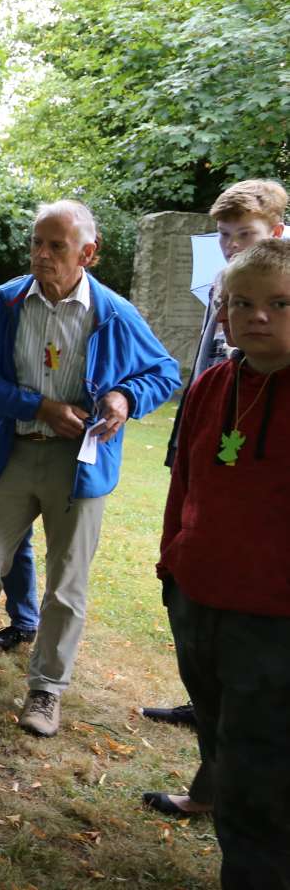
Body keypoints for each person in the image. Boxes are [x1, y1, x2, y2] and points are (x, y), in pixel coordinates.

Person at [0, 200, 179, 737]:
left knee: (66, 584)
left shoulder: (113, 313)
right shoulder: (5, 303)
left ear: (88, 253)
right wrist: (40, 408)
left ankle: (46, 691)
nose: (42, 254)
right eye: (37, 243)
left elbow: (164, 372)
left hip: (78, 468)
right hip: (11, 453)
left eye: (57, 246)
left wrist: (125, 396)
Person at [142, 177, 286, 817]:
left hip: (270, 609)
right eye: (242, 303)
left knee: (260, 761)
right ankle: (209, 792)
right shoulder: (211, 382)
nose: (258, 315)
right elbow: (189, 479)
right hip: (200, 587)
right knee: (216, 710)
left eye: (279, 304)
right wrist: (176, 559)